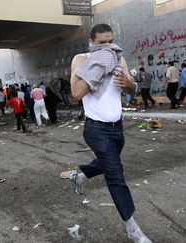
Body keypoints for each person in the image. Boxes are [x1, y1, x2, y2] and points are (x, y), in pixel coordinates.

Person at [70, 23, 151, 243]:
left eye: (110, 41)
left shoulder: (119, 59)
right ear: (91, 42)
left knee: (107, 163)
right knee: (116, 175)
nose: (107, 46)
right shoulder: (81, 59)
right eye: (102, 42)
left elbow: (133, 88)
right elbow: (75, 92)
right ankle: (133, 229)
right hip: (96, 129)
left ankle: (80, 177)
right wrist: (98, 70)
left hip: (117, 128)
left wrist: (128, 84)